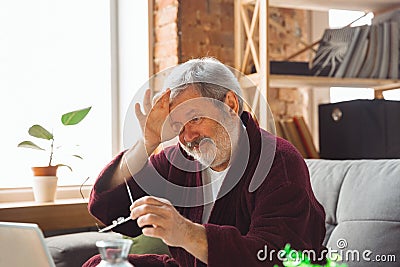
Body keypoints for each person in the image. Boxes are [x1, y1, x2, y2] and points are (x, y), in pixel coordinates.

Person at [83, 58, 326, 267]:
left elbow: (276, 257)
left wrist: (185, 232)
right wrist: (147, 142)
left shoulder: (277, 160)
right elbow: (107, 207)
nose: (187, 137)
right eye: (177, 126)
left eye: (195, 118)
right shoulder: (181, 160)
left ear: (230, 105)